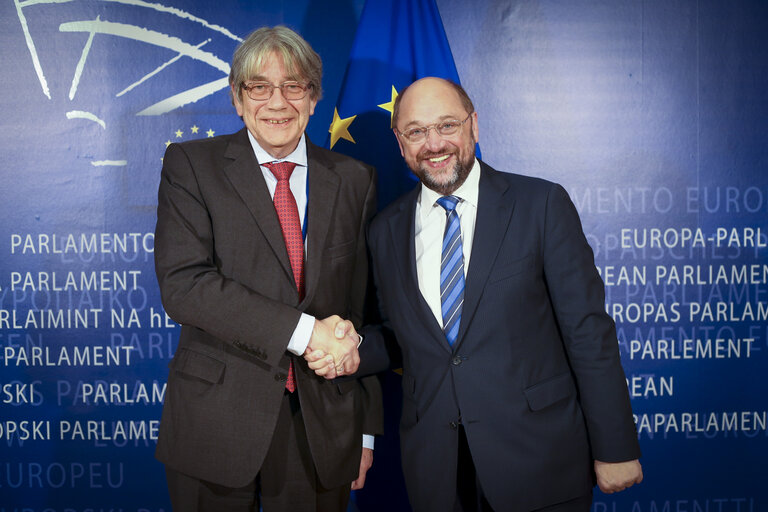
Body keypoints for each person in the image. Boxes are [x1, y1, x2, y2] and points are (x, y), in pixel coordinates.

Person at [309, 77, 643, 511]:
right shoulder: (384, 229)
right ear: (400, 141)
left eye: (447, 125)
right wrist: (347, 348)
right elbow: (399, 335)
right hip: (438, 471)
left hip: (539, 461)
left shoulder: (540, 204)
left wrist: (615, 446)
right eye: (416, 132)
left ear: (474, 125)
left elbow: (588, 333)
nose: (434, 143)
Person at [153, 25, 382, 512]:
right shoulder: (191, 166)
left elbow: (364, 311)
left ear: (314, 98)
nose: (277, 102)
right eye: (259, 87)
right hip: (215, 423)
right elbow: (185, 286)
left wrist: (365, 428)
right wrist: (306, 334)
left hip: (322, 428)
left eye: (293, 86)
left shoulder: (355, 180)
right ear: (238, 98)